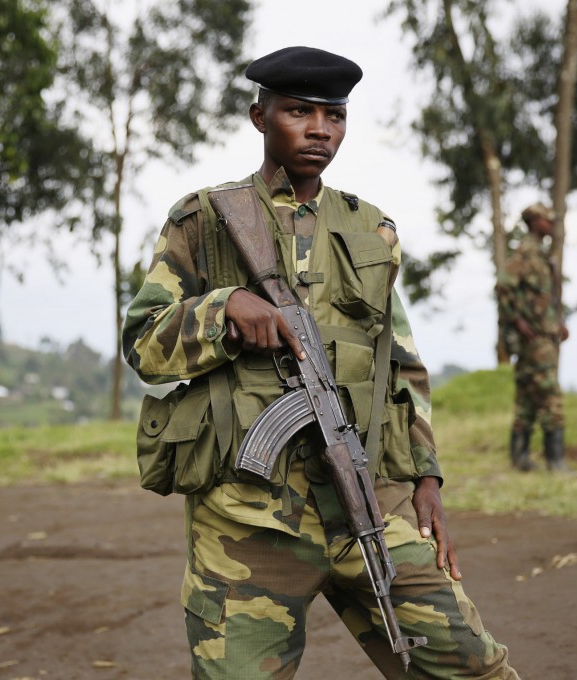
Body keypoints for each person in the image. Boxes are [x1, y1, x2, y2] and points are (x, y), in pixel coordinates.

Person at [123, 46, 518, 679]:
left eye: (333, 115)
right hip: (249, 520)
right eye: (298, 112)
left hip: (367, 497)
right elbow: (144, 342)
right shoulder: (205, 222)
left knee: (476, 668)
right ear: (260, 117)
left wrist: (427, 476)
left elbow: (401, 363)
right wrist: (224, 310)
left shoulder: (372, 231)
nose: (318, 130)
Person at [496, 204, 570, 472]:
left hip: (545, 333)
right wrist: (518, 321)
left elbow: (544, 297)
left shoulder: (541, 254)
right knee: (551, 395)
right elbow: (504, 285)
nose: (552, 223)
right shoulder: (527, 252)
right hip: (535, 340)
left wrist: (558, 322)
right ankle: (556, 461)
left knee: (527, 397)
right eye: (547, 219)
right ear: (535, 221)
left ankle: (520, 459)